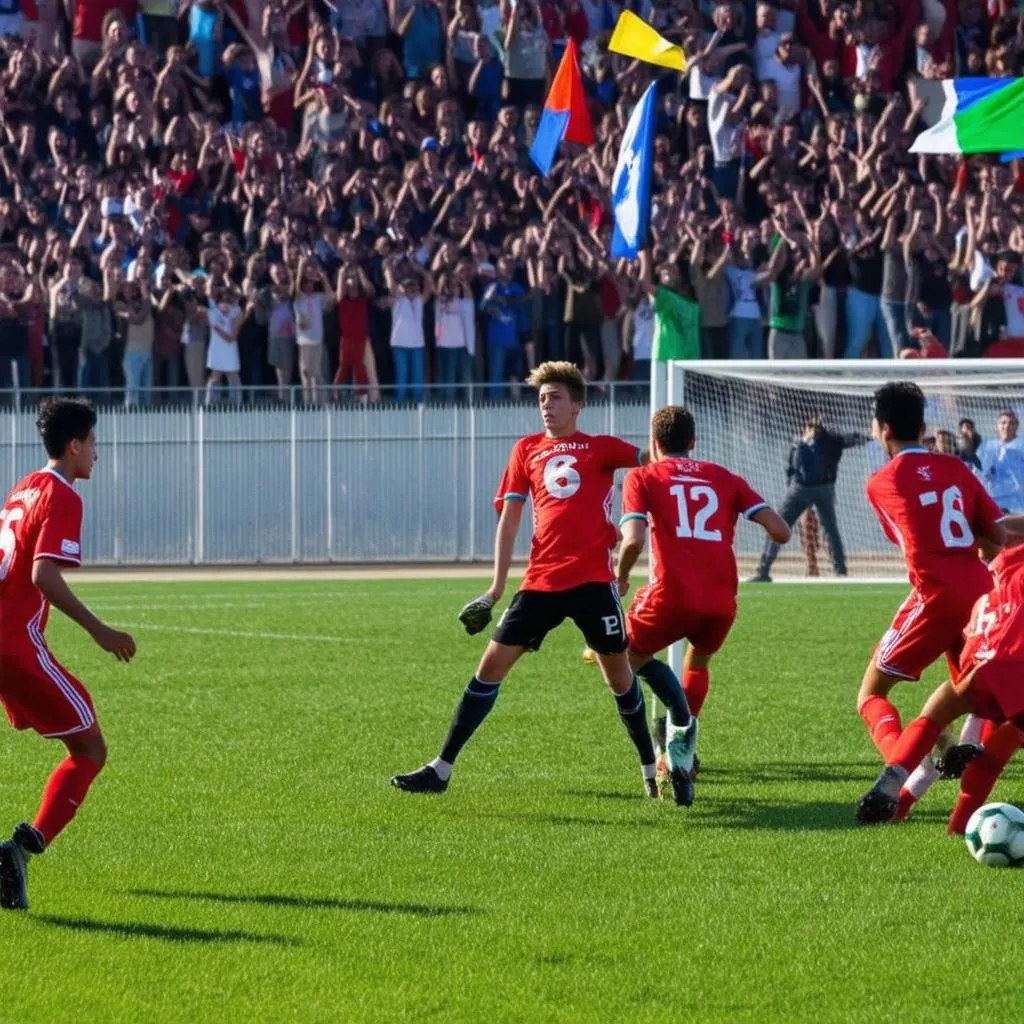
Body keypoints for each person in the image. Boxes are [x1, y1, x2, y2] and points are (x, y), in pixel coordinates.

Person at [391, 361, 658, 797]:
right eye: (541, 399)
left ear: (578, 405)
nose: (545, 406)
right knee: (489, 668)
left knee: (619, 678)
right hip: (540, 583)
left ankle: (651, 770)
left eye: (554, 397)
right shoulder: (525, 450)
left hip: (593, 582)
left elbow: (651, 457)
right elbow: (510, 519)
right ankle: (440, 769)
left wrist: (670, 450)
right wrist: (495, 588)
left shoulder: (601, 448)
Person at [0, 398, 136, 911]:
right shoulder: (62, 495)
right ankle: (21, 849)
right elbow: (42, 574)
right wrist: (99, 630)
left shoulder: (23, 486)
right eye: (94, 444)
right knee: (90, 749)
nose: (97, 455)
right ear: (74, 445)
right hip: (13, 644)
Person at [615, 406, 791, 803]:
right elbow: (781, 531)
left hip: (671, 595)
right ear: (693, 442)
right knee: (698, 663)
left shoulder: (642, 476)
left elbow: (634, 540)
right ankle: (684, 744)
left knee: (620, 657)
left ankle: (676, 727)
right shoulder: (724, 477)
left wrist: (621, 575)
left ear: (654, 444)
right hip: (721, 600)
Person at [855, 382, 1005, 767]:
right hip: (980, 588)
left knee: (871, 694)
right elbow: (996, 537)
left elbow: (911, 538)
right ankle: (959, 749)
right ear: (923, 428)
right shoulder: (956, 467)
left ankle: (901, 766)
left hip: (936, 593)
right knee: (977, 689)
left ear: (883, 428)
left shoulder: (880, 482)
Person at [856, 534, 1024, 826]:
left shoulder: (1004, 563)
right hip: (1015, 660)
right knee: (1007, 739)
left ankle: (900, 789)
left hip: (982, 653)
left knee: (935, 712)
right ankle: (960, 822)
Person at [749, 416, 868, 582]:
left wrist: (791, 485)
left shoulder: (799, 442)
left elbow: (791, 468)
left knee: (778, 525)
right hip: (824, 488)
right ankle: (840, 571)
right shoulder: (831, 439)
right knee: (830, 530)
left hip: (800, 490)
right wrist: (868, 435)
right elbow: (851, 439)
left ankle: (763, 569)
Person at [978, 410, 1024, 514]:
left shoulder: (1022, 445)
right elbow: (980, 473)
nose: (1007, 426)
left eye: (1011, 423)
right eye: (1003, 423)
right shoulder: (987, 446)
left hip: (1018, 505)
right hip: (994, 503)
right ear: (997, 425)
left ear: (1016, 426)